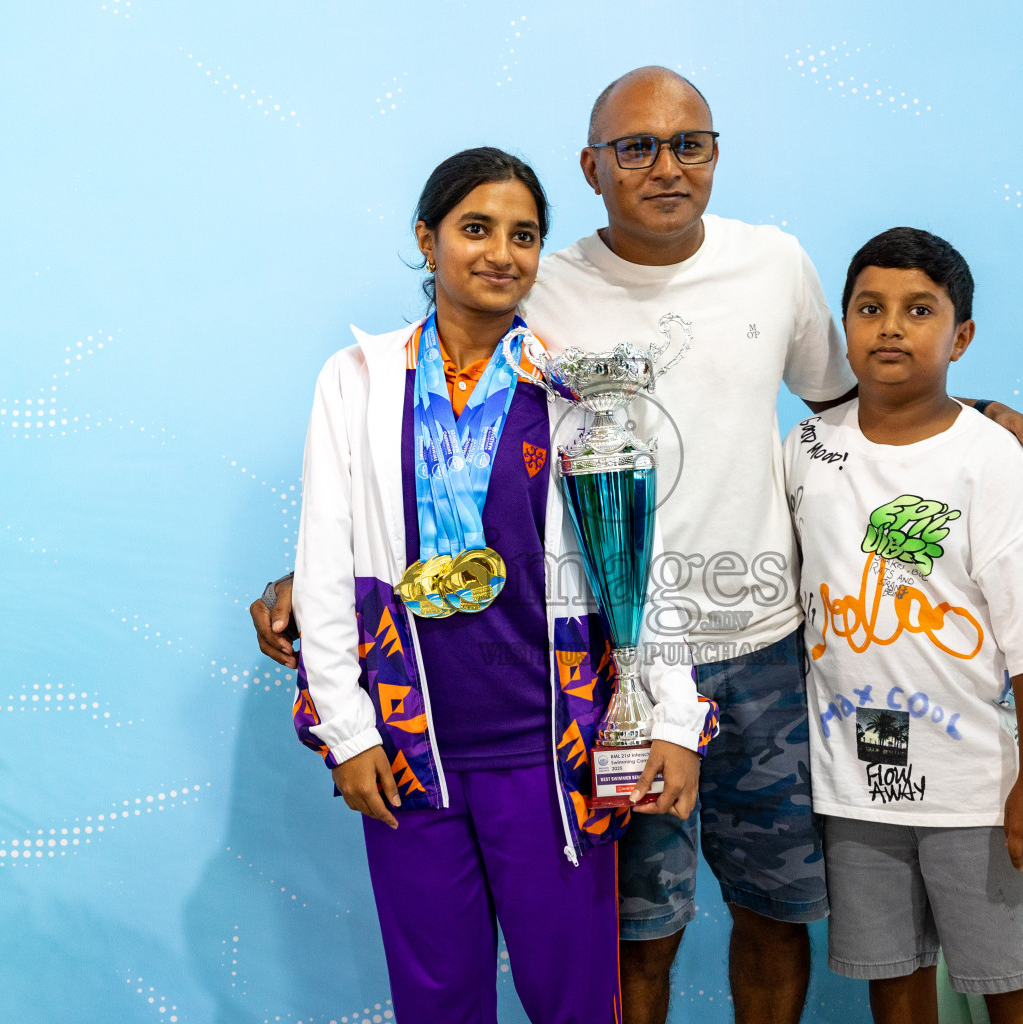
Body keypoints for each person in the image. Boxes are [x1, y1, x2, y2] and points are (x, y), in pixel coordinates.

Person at [254, 67, 1023, 1024]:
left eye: (690, 144)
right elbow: (442, 436)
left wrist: (975, 415)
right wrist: (322, 576)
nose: (667, 166)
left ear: (716, 153)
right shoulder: (539, 290)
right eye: (636, 147)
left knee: (774, 910)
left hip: (763, 647)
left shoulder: (774, 264)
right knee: (633, 926)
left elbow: (857, 401)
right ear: (591, 167)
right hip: (611, 664)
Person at [291, 145, 718, 1024]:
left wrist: (675, 716)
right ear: (428, 239)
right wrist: (348, 731)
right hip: (411, 751)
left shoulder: (573, 389)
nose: (502, 253)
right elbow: (326, 564)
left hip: (549, 750)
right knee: (437, 1000)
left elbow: (641, 566)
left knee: (574, 999)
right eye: (476, 228)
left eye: (524, 236)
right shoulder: (358, 382)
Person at [784, 227, 1023, 1024]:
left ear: (960, 337)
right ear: (844, 328)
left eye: (919, 310)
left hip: (975, 793)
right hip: (854, 788)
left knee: (1016, 981)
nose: (891, 327)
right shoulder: (805, 449)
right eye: (870, 308)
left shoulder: (992, 461)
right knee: (892, 980)